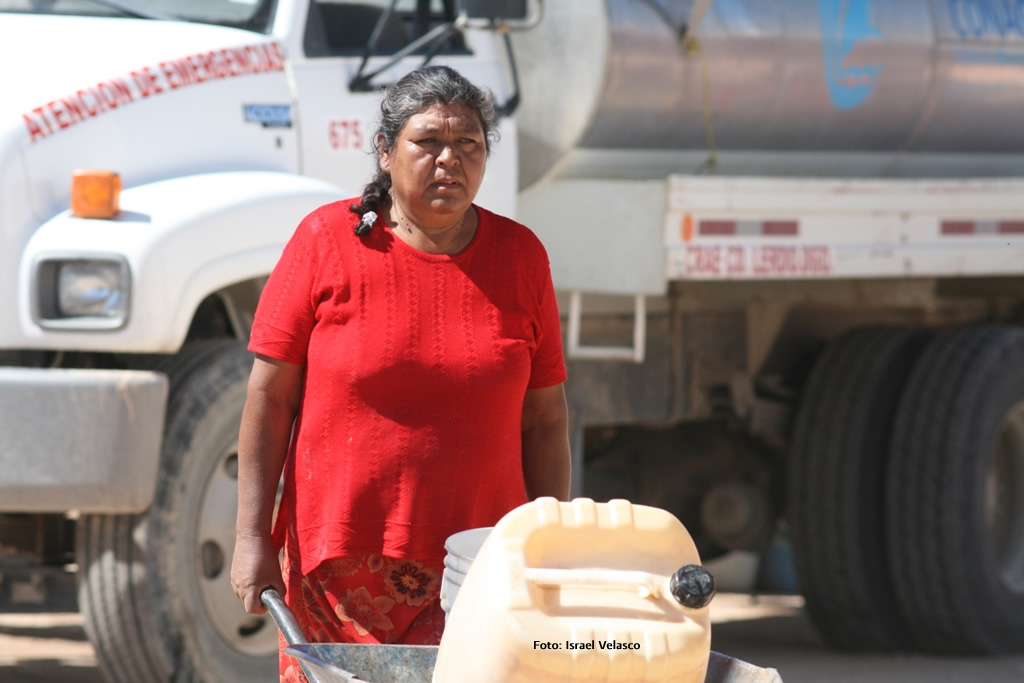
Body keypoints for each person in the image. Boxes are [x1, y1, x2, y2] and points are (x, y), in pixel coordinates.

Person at [230, 65, 570, 682]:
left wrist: (553, 550)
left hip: (480, 568)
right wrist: (251, 538)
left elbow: (545, 421)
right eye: (428, 143)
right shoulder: (324, 242)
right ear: (386, 153)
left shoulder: (521, 256)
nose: (450, 160)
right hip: (339, 572)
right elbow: (268, 399)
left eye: (468, 144)